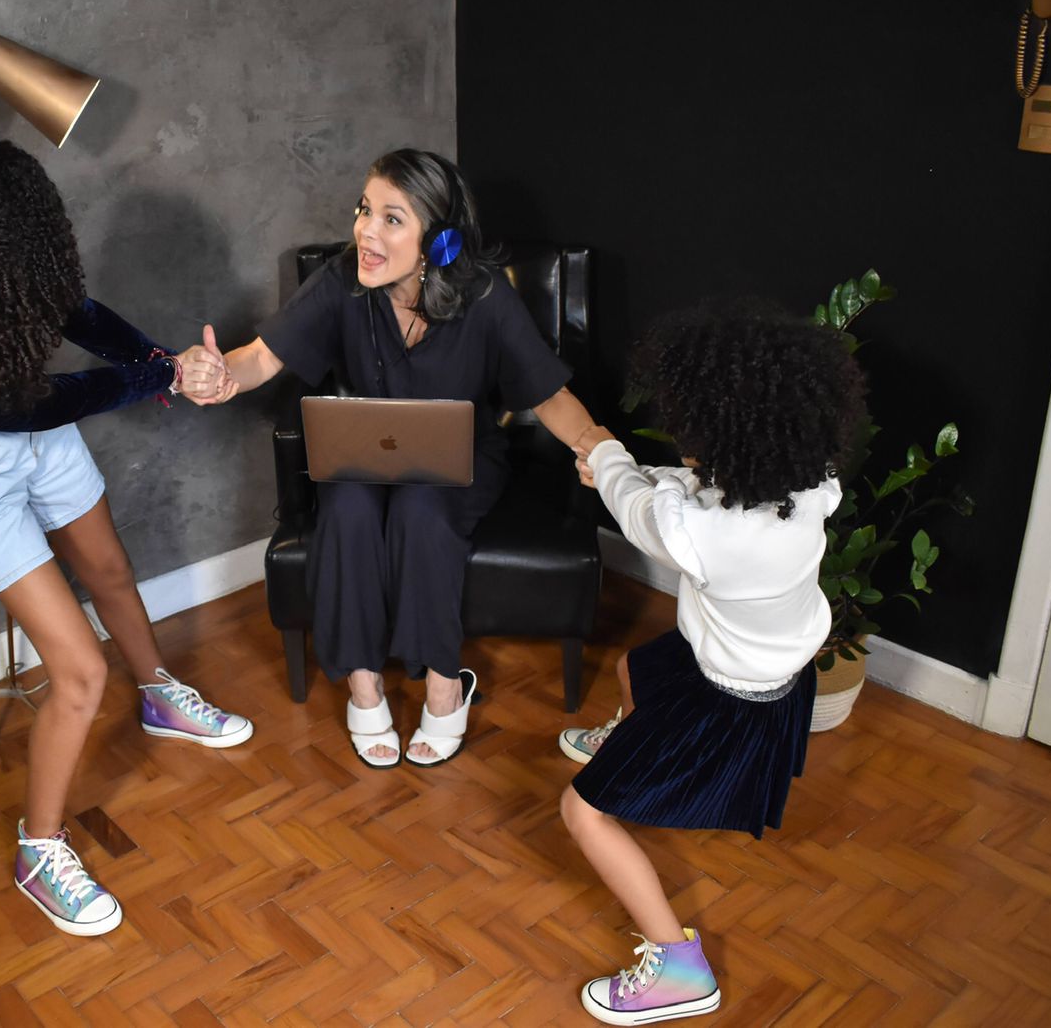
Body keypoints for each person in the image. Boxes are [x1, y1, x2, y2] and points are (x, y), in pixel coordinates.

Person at [0, 128, 251, 938]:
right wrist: (161, 377)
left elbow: (77, 314)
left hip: (34, 434)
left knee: (109, 569)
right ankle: (39, 846)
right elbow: (39, 404)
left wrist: (161, 360)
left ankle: (162, 699)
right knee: (79, 672)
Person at [188, 148, 607, 768]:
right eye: (364, 210)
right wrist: (226, 374)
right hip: (363, 453)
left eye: (391, 218)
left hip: (461, 459)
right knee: (348, 509)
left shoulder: (484, 295)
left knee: (421, 509)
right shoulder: (341, 279)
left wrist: (595, 441)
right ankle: (364, 687)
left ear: (437, 241)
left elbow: (548, 393)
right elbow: (264, 355)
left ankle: (444, 685)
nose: (365, 230)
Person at [558, 301, 867, 1024]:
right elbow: (690, 492)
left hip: (729, 701)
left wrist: (605, 454)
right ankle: (632, 756)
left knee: (582, 814)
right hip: (752, 668)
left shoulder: (707, 535)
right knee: (638, 669)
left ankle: (678, 969)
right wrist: (653, 475)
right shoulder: (811, 484)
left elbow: (642, 509)